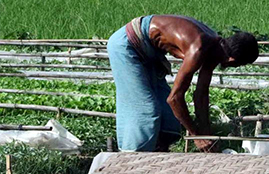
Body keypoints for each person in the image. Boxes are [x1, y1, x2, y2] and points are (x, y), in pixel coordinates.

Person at [107, 15, 258, 152]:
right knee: (145, 113)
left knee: (169, 119)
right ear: (232, 61)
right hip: (128, 46)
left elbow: (201, 95)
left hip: (150, 53)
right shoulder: (198, 48)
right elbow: (174, 98)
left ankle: (158, 156)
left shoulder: (216, 49)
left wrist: (207, 134)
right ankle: (132, 161)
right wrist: (196, 136)